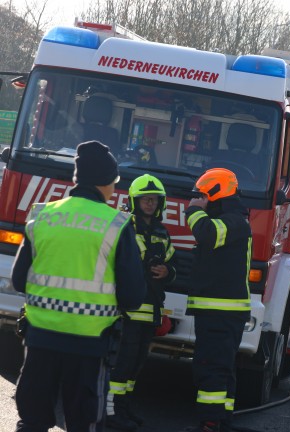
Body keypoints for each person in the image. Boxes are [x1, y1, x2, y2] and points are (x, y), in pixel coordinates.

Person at [11, 140, 146, 432]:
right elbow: (133, 297)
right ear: (106, 183)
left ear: (76, 179)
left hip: (40, 338)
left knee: (31, 421)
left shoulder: (42, 215)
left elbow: (19, 280)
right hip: (90, 344)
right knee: (82, 422)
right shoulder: (117, 224)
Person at [183, 168, 252, 432]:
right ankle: (222, 419)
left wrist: (193, 211)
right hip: (220, 312)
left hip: (220, 312)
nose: (198, 200)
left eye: (202, 196)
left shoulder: (233, 221)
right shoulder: (233, 219)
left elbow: (207, 234)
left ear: (215, 193)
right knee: (222, 368)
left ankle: (210, 422)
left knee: (210, 368)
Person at [106, 174, 177, 431]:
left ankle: (123, 409)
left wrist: (168, 272)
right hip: (127, 311)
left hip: (151, 311)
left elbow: (172, 262)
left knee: (136, 366)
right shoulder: (124, 227)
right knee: (121, 363)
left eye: (154, 200)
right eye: (145, 200)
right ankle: (110, 412)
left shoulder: (162, 232)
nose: (150, 204)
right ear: (135, 201)